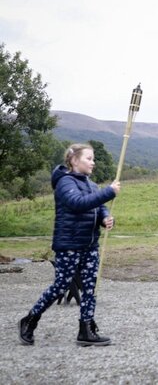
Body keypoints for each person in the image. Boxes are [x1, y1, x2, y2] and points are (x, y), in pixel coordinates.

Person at [18, 143, 119, 347]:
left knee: (91, 287)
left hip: (90, 245)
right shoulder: (65, 183)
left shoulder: (91, 184)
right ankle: (30, 320)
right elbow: (78, 204)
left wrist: (106, 218)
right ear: (74, 160)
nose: (93, 162)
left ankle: (86, 329)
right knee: (60, 286)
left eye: (93, 158)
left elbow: (98, 207)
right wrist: (109, 192)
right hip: (69, 245)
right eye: (89, 158)